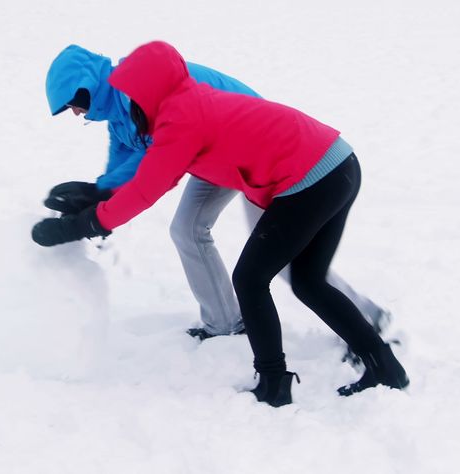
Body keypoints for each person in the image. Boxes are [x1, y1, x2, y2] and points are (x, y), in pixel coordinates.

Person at [33, 41, 409, 406]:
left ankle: (274, 382)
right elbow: (134, 160)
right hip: (330, 162)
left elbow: (148, 184)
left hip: (300, 174)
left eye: (75, 104)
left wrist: (82, 224)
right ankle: (384, 366)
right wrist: (100, 192)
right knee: (304, 279)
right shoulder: (161, 103)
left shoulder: (178, 118)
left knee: (255, 277)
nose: (78, 114)